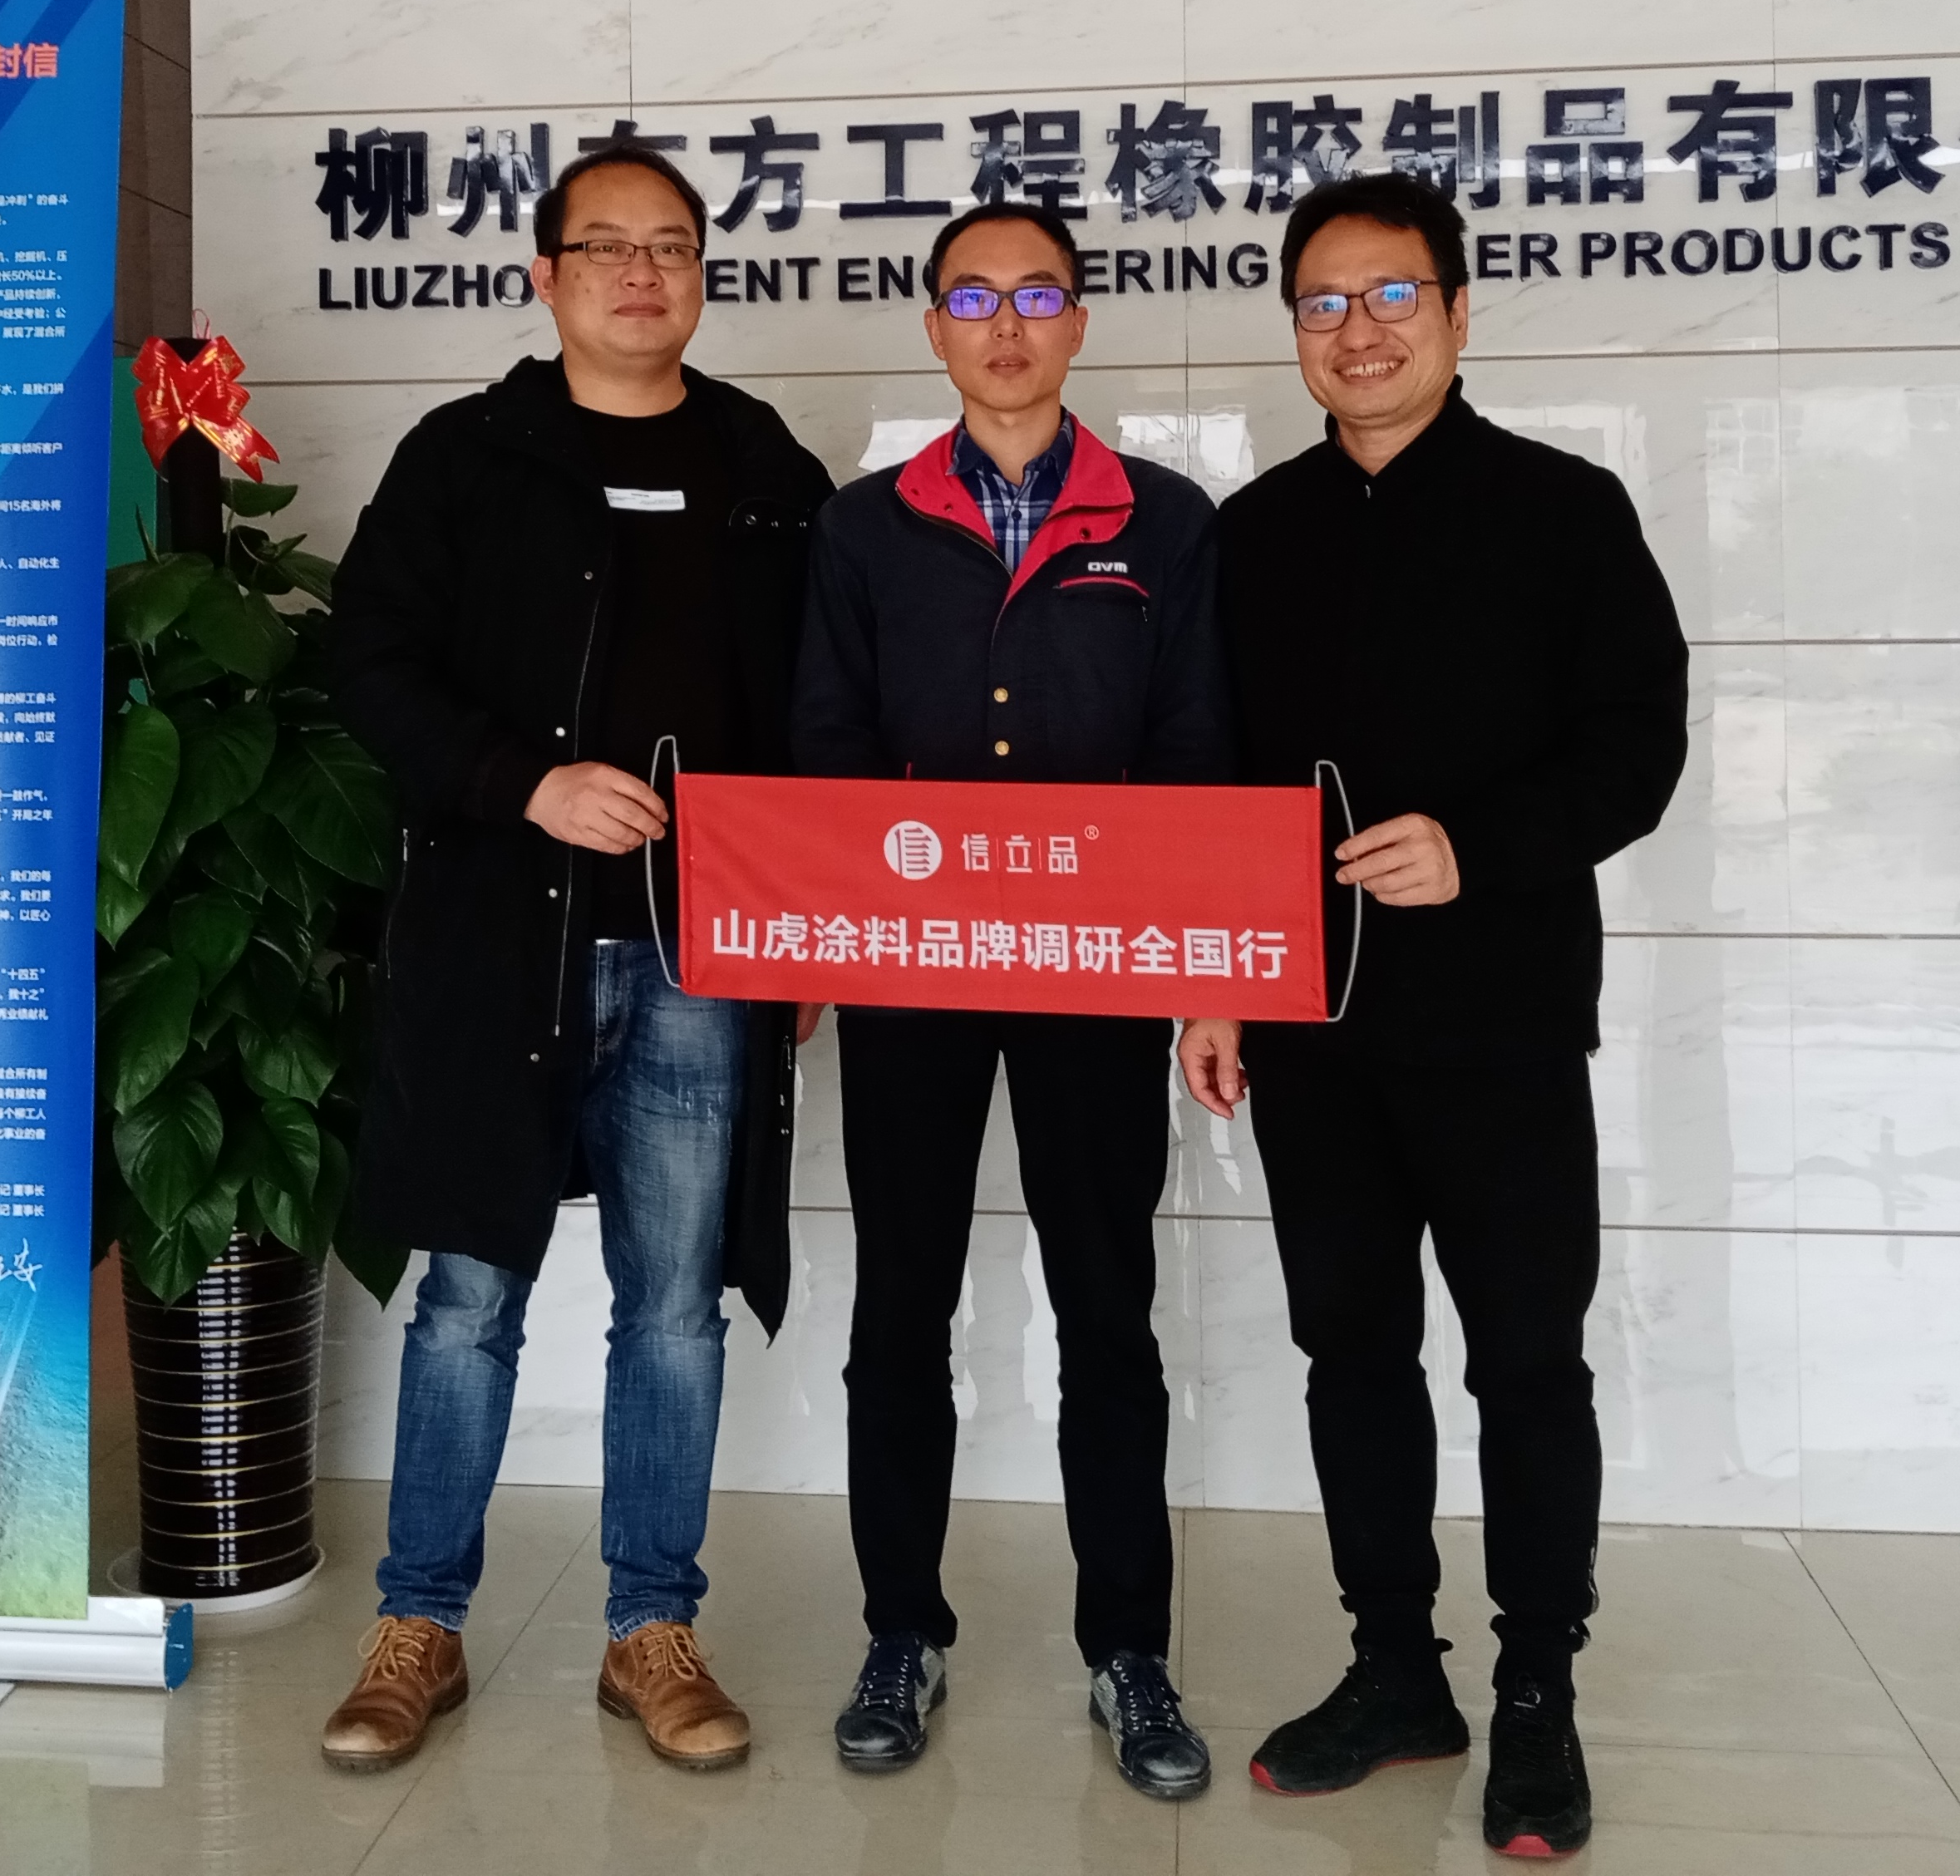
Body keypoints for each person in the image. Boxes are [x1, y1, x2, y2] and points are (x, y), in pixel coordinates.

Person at [1179, 172, 1687, 1860]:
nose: (1360, 331)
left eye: (1392, 294)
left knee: (1527, 1361)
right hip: (1309, 1024)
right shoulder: (1253, 534)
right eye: (1324, 303)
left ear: (1460, 314)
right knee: (1350, 1353)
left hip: (1502, 1019)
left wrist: (1481, 846)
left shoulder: (1564, 509)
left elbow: (1637, 748)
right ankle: (1395, 1668)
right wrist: (1215, 981)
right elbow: (1217, 781)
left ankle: (1538, 1689)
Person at [323, 145, 833, 1773]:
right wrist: (519, 781)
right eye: (605, 247)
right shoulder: (466, 457)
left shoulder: (764, 469)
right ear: (544, 277)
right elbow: (369, 665)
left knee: (672, 1308)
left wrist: (810, 922)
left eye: (670, 247)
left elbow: (819, 713)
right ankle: (419, 1626)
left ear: (702, 275)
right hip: (501, 946)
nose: (639, 274)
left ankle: (649, 1632)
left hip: (699, 959)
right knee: (467, 1299)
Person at [793, 202, 1231, 1801]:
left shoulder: (1166, 524)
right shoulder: (864, 529)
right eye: (972, 298)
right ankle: (900, 1632)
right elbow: (826, 749)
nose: (1005, 325)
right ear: (933, 328)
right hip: (911, 974)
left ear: (1079, 322)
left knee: (1107, 1310)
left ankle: (1130, 1651)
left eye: (1037, 295)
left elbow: (1198, 757)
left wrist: (1202, 979)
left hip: (1097, 975)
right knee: (899, 1306)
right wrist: (816, 954)